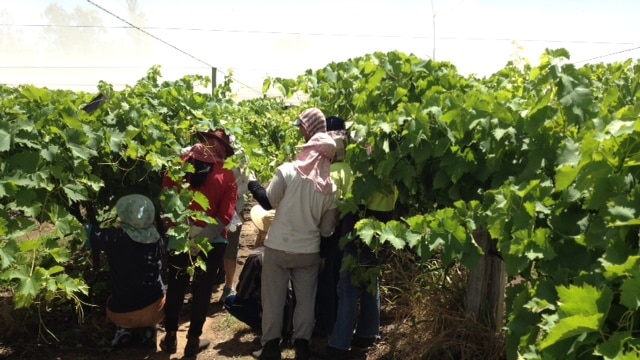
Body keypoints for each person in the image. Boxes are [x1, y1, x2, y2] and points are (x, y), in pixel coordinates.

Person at [248, 107, 339, 360]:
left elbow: (268, 202)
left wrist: (251, 182)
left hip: (278, 247)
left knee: (273, 299)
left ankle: (270, 347)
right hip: (308, 252)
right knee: (305, 302)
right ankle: (301, 346)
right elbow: (326, 230)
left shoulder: (287, 171)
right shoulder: (331, 187)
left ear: (308, 147)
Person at [159, 128, 238, 357]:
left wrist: (187, 232)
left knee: (175, 287)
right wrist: (201, 236)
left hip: (179, 238)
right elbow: (225, 217)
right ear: (222, 148)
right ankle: (193, 341)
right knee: (202, 290)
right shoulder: (228, 175)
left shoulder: (178, 167)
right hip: (212, 242)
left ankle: (171, 337)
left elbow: (167, 200)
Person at [319, 184, 398, 359]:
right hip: (380, 235)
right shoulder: (390, 175)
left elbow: (354, 204)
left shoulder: (366, 174)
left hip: (358, 238)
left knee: (347, 290)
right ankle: (367, 334)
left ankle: (339, 345)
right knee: (371, 285)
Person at [85, 194, 165, 350]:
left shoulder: (115, 238)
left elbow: (87, 233)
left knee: (113, 299)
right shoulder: (158, 239)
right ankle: (149, 330)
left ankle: (124, 330)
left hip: (123, 310)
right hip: (156, 309)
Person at [223, 205, 295, 342]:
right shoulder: (294, 250)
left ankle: (264, 325)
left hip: (272, 315)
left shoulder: (257, 256)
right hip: (293, 318)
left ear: (262, 232)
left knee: (231, 302)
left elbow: (242, 293)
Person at [314, 116, 353, 338]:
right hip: (348, 232)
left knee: (326, 278)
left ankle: (326, 325)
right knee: (341, 279)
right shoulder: (351, 170)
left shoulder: (328, 173)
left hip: (331, 233)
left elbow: (327, 212)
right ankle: (340, 322)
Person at [218, 150, 251, 302]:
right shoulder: (208, 151)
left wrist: (231, 193)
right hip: (211, 210)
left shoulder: (240, 155)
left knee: (231, 247)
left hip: (234, 210)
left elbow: (247, 183)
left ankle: (228, 285)